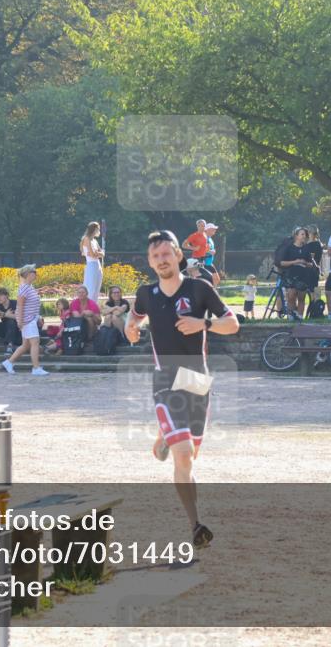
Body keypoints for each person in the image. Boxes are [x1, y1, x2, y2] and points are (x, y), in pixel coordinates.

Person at [125, 230, 240, 548]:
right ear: (150, 262)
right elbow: (131, 320)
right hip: (165, 379)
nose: (161, 260)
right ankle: (195, 524)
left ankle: (166, 435)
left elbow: (232, 324)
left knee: (189, 459)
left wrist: (202, 324)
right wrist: (130, 329)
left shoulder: (199, 288)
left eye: (166, 253)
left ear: (178, 255)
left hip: (197, 381)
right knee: (183, 453)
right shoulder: (146, 293)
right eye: (155, 256)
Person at [1, 265, 49, 376]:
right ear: (28, 274)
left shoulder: (29, 287)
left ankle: (9, 362)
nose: (36, 274)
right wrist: (20, 322)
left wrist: (38, 317)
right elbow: (20, 306)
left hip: (31, 319)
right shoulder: (24, 288)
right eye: (34, 272)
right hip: (27, 320)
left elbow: (32, 305)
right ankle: (36, 368)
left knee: (26, 345)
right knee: (35, 342)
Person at [278, 227, 321, 320]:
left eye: (305, 235)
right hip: (291, 275)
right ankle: (291, 317)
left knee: (302, 297)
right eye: (302, 234)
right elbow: (281, 263)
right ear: (296, 236)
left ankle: (300, 317)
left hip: (303, 275)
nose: (304, 236)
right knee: (291, 296)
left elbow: (311, 264)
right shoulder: (289, 248)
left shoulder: (306, 248)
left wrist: (305, 262)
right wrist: (294, 262)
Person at [0, 287, 22, 355]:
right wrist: (3, 315)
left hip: (15, 330)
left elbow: (19, 317)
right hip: (4, 330)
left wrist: (3, 314)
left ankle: (10, 345)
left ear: (7, 295)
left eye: (0, 295)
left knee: (11, 321)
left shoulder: (14, 303)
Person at [80, 222, 105, 301]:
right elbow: (92, 254)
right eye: (98, 229)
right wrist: (97, 254)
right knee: (91, 288)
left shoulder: (94, 240)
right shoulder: (86, 239)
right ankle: (87, 307)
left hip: (97, 265)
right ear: (94, 229)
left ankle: (94, 307)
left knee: (96, 288)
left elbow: (102, 253)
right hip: (91, 266)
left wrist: (97, 253)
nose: (99, 231)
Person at [202, 223, 222, 287]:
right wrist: (210, 251)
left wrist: (211, 251)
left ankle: (211, 291)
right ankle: (211, 292)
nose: (215, 230)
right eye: (213, 229)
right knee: (214, 279)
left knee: (216, 279)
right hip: (204, 263)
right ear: (208, 230)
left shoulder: (210, 239)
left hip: (209, 262)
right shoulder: (204, 238)